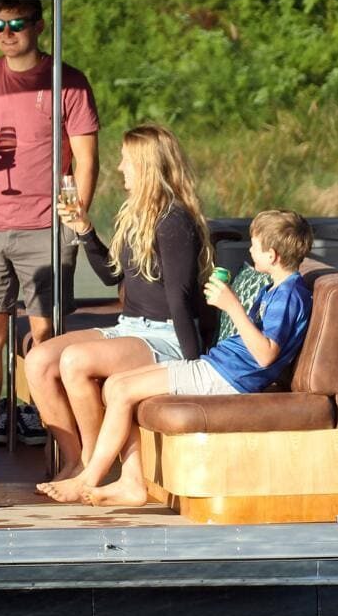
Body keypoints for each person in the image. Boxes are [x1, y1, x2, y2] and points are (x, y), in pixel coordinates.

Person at [44, 209, 314, 508]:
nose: (250, 250)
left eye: (255, 245)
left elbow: (265, 355)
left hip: (228, 377)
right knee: (115, 385)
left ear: (273, 255)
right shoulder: (275, 287)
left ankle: (88, 479)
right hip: (217, 366)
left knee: (121, 390)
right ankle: (131, 482)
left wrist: (232, 307)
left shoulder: (290, 295)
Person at [0, 0, 100, 472]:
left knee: (45, 335)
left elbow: (87, 157)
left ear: (38, 27)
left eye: (16, 23)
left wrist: (75, 217)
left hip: (45, 226)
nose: (6, 32)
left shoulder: (67, 80)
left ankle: (62, 445)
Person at [26, 124, 215, 491]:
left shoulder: (174, 221)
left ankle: (92, 471)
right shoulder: (135, 213)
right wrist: (84, 230)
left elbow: (180, 296)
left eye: (125, 160)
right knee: (39, 360)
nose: (119, 168)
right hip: (130, 327)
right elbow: (112, 276)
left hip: (164, 336)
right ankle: (75, 461)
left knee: (75, 360)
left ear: (146, 166)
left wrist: (193, 366)